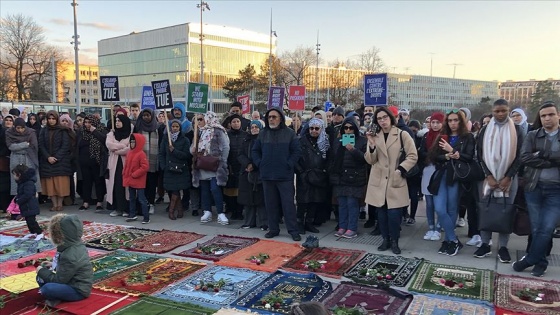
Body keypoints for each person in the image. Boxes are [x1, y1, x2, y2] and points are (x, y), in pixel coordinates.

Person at [513, 101, 560, 277]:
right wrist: (552, 161)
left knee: (547, 228)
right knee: (536, 228)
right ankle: (541, 262)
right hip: (534, 187)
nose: (547, 118)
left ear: (557, 115)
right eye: (543, 116)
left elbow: (535, 157)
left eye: (550, 114)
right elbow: (525, 158)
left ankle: (530, 259)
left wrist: (542, 155)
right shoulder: (533, 135)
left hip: (555, 190)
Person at [474, 99, 523, 262]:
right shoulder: (485, 130)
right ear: (492, 112)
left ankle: (503, 247)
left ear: (508, 110)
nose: (500, 114)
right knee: (486, 209)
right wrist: (488, 176)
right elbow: (480, 155)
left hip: (509, 180)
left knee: (505, 211)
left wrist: (508, 177)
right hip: (489, 179)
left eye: (503, 111)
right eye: (497, 111)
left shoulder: (517, 130)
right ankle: (485, 244)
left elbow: (520, 156)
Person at [365, 108, 418, 254]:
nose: (382, 121)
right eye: (379, 118)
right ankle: (385, 239)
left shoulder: (402, 134)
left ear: (391, 118)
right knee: (381, 213)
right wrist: (371, 144)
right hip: (379, 179)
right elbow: (371, 160)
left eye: (385, 117)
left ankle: (394, 240)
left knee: (394, 214)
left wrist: (401, 169)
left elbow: (413, 155)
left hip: (396, 178)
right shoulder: (375, 135)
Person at [427, 109, 475, 256]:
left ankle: (448, 241)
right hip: (442, 174)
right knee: (440, 208)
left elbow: (469, 157)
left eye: (456, 120)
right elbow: (433, 156)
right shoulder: (443, 136)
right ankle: (454, 240)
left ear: (461, 121)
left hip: (456, 176)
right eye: (450, 120)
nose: (453, 123)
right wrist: (447, 155)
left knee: (452, 209)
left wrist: (452, 150)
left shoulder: (467, 137)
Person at [252, 108, 302, 241]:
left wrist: (289, 163)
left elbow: (296, 151)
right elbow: (255, 151)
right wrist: (260, 163)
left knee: (288, 204)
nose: (272, 119)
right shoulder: (263, 134)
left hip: (284, 175)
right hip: (267, 175)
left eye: (274, 117)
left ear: (281, 118)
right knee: (270, 204)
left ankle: (293, 230)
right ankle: (273, 229)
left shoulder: (290, 133)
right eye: (269, 117)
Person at [36, 214, 93, 307]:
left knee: (47, 288)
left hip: (78, 290)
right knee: (41, 276)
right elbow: (67, 267)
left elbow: (59, 280)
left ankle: (56, 296)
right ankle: (58, 295)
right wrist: (53, 264)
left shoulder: (70, 254)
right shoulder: (75, 245)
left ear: (60, 234)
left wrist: (41, 271)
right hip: (72, 282)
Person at [328, 116, 367, 239]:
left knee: (352, 203)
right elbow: (333, 157)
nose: (348, 130)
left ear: (355, 129)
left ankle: (352, 228)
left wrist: (353, 150)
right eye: (345, 128)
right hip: (340, 176)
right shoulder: (337, 141)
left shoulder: (362, 140)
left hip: (355, 176)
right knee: (342, 204)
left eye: (351, 128)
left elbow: (365, 159)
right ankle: (342, 226)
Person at [192, 111, 230, 225]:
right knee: (204, 190)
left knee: (215, 188)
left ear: (208, 119)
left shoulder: (218, 130)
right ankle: (207, 211)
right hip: (202, 164)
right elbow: (193, 147)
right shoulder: (199, 132)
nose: (199, 122)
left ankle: (220, 212)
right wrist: (193, 149)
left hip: (215, 165)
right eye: (197, 119)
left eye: (201, 119)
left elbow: (225, 147)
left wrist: (222, 161)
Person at [296, 118, 330, 234]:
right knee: (302, 202)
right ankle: (299, 223)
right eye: (311, 128)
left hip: (319, 176)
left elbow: (329, 159)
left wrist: (324, 171)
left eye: (317, 128)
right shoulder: (301, 141)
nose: (314, 131)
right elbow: (295, 158)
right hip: (305, 174)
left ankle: (309, 223)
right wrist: (301, 172)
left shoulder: (325, 142)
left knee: (315, 201)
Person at [38, 110, 73, 212]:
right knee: (50, 184)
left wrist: (56, 157)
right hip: (47, 161)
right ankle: (54, 204)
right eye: (49, 119)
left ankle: (60, 204)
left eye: (53, 119)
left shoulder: (63, 130)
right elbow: (41, 145)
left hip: (61, 162)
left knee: (60, 184)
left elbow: (65, 145)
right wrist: (48, 157)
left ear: (57, 119)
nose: (51, 121)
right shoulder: (44, 130)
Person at [159, 120, 192, 220]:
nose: (175, 128)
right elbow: (161, 154)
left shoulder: (185, 140)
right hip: (169, 169)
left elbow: (186, 155)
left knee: (176, 190)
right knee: (174, 190)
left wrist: (174, 151)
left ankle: (172, 210)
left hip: (180, 169)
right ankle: (179, 209)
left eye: (177, 126)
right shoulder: (166, 139)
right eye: (173, 126)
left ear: (180, 128)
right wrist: (163, 166)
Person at [419, 112, 445, 241]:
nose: (435, 125)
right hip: (427, 169)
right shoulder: (426, 136)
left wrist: (432, 157)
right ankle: (431, 227)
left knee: (439, 202)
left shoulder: (445, 136)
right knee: (429, 202)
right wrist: (428, 157)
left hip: (439, 171)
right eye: (433, 122)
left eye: (438, 122)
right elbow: (421, 152)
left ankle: (438, 228)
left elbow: (444, 155)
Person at [237, 120, 267, 229]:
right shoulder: (246, 140)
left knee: (261, 200)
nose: (254, 129)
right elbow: (240, 154)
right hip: (247, 173)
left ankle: (263, 223)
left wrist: (254, 164)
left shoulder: (264, 140)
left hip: (260, 172)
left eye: (256, 127)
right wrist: (247, 164)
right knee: (248, 199)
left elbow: (265, 155)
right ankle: (249, 222)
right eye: (252, 127)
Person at [76, 115, 107, 211]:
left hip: (97, 162)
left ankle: (99, 202)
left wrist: (94, 131)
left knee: (98, 182)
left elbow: (104, 141)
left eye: (89, 122)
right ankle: (86, 202)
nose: (87, 124)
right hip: (84, 162)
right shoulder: (81, 132)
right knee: (86, 182)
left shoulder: (101, 130)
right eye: (86, 122)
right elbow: (78, 146)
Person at [6, 117, 41, 196]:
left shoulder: (31, 132)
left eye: (22, 128)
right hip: (16, 159)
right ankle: (18, 201)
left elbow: (33, 146)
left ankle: (32, 200)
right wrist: (25, 144)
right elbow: (11, 147)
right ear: (14, 127)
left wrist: (18, 147)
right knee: (17, 179)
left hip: (29, 158)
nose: (20, 130)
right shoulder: (9, 132)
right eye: (18, 128)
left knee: (30, 179)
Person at [106, 115, 132, 217]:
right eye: (116, 120)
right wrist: (122, 147)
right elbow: (109, 145)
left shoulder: (130, 135)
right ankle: (117, 208)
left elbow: (129, 149)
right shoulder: (111, 134)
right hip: (114, 164)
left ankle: (126, 208)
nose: (117, 122)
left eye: (119, 121)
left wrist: (117, 150)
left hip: (125, 163)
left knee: (125, 185)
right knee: (116, 185)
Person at [224, 114, 247, 220]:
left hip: (242, 166)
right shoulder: (226, 135)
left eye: (238, 121)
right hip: (230, 166)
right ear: (230, 124)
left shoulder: (246, 135)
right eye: (234, 122)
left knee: (241, 190)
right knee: (230, 191)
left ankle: (239, 211)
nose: (236, 123)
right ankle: (233, 210)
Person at [123, 133, 150, 224]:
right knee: (131, 198)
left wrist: (135, 174)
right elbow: (127, 165)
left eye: (134, 142)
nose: (132, 144)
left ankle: (146, 217)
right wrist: (124, 173)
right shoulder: (130, 153)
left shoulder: (141, 154)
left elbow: (145, 167)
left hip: (138, 180)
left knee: (141, 199)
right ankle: (132, 214)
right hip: (131, 179)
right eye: (131, 142)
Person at [12, 164, 43, 240]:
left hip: (30, 206)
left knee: (32, 221)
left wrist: (19, 200)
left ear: (19, 174)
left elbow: (28, 194)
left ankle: (39, 233)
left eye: (14, 175)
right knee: (28, 221)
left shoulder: (28, 182)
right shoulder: (22, 182)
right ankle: (32, 232)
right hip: (26, 206)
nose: (14, 177)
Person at [0, 116, 13, 212]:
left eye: (10, 120)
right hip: (3, 160)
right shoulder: (3, 130)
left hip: (8, 159)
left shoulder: (11, 132)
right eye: (7, 120)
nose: (8, 122)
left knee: (6, 184)